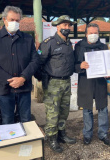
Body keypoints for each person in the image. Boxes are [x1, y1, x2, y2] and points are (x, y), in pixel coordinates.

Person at [0, 6, 39, 124]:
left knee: (25, 119)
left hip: (24, 87)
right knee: (7, 120)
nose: (14, 23)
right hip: (5, 89)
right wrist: (9, 80)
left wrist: (23, 78)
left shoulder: (27, 39)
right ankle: (12, 142)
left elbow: (35, 61)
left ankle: (25, 143)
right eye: (11, 20)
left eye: (17, 20)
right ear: (4, 20)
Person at [38, 15, 76, 153]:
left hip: (66, 81)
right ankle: (51, 138)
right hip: (53, 82)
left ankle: (61, 134)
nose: (67, 28)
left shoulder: (68, 43)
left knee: (64, 111)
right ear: (57, 26)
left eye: (68, 25)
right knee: (53, 113)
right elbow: (38, 62)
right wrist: (42, 78)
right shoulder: (49, 42)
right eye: (64, 25)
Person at [74, 23, 110, 146]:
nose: (93, 35)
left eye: (95, 33)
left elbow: (108, 65)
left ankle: (103, 134)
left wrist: (109, 73)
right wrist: (80, 66)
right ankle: (87, 134)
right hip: (85, 81)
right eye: (90, 33)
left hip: (100, 82)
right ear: (86, 34)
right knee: (87, 109)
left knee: (103, 108)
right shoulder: (79, 46)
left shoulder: (103, 46)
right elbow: (73, 65)